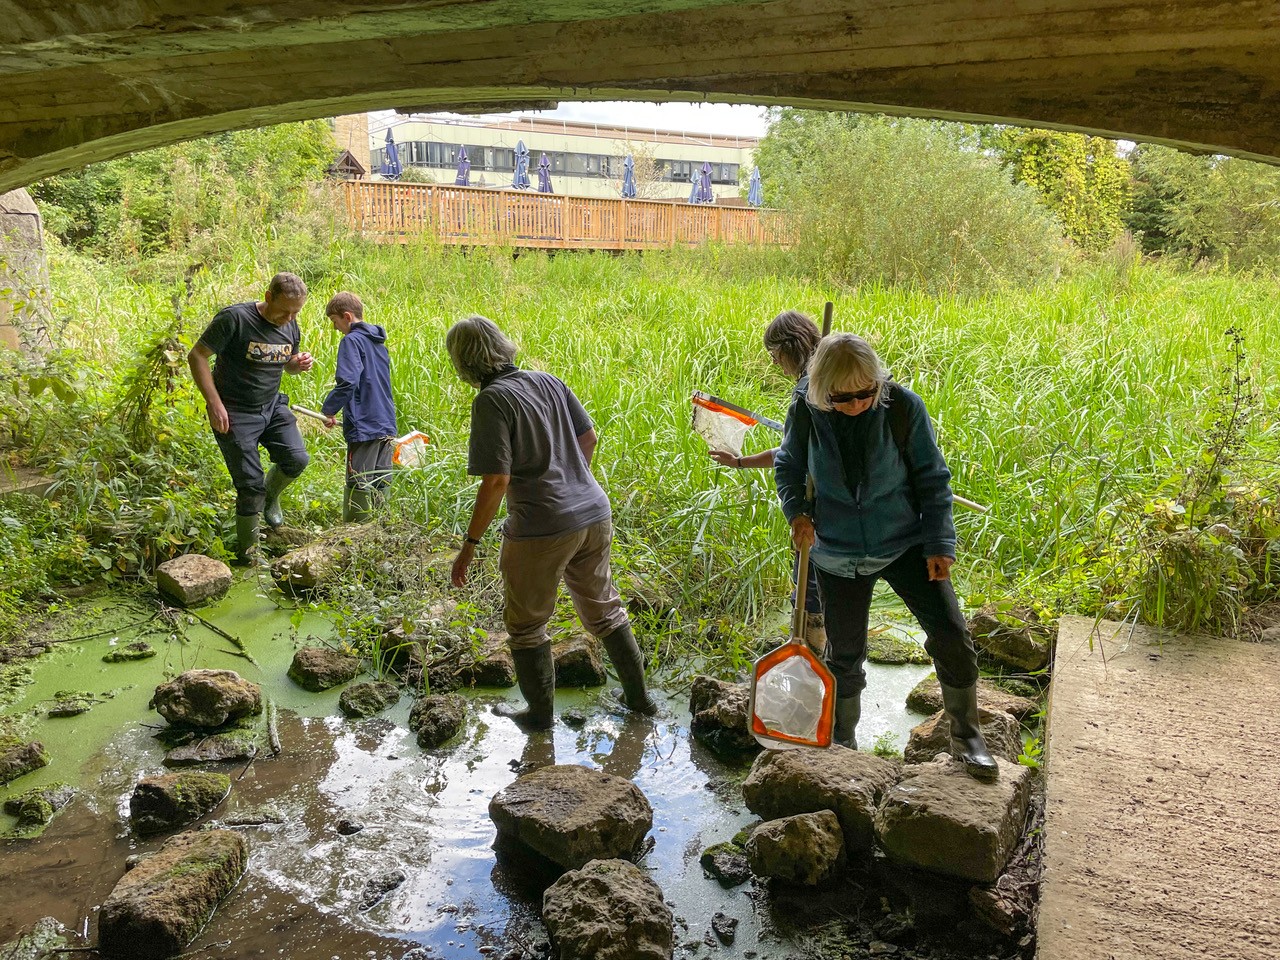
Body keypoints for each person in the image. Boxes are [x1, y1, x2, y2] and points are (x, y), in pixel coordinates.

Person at [774, 333, 998, 780]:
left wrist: (940, 543)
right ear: (821, 390)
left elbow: (932, 478)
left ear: (878, 382)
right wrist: (796, 511)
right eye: (842, 398)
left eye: (866, 393)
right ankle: (844, 742)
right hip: (837, 552)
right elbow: (788, 465)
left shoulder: (903, 407)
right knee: (844, 655)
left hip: (905, 542)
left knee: (952, 635)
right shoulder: (806, 409)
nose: (856, 404)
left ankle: (967, 737)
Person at [446, 315, 656, 731]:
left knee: (526, 627)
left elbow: (497, 479)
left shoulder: (491, 400)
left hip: (541, 525)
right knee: (606, 611)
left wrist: (469, 545)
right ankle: (640, 701)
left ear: (464, 362)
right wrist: (573, 483)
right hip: (594, 511)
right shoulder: (548, 381)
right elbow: (589, 437)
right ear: (501, 345)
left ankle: (539, 717)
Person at [709, 310, 827, 657]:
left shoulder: (813, 387)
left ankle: (813, 656)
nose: (775, 363)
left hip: (822, 507)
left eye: (775, 354)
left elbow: (791, 456)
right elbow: (789, 454)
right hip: (828, 504)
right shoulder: (816, 380)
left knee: (811, 588)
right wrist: (740, 462)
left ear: (791, 346)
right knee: (815, 586)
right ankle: (818, 652)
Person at [189, 272, 313, 563]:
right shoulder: (235, 319)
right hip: (234, 410)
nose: (289, 318)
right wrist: (213, 403)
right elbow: (197, 356)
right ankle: (249, 557)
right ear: (268, 297)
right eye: (284, 311)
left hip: (271, 406)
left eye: (296, 312)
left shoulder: (290, 324)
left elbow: (286, 364)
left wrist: (296, 364)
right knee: (250, 485)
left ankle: (271, 497)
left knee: (296, 459)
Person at [319, 292, 397, 522]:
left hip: (364, 424)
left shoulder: (351, 341)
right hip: (386, 422)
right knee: (381, 480)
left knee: (358, 481)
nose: (335, 328)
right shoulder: (379, 344)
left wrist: (329, 409)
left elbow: (348, 381)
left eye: (335, 321)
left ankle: (353, 534)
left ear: (347, 316)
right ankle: (384, 531)